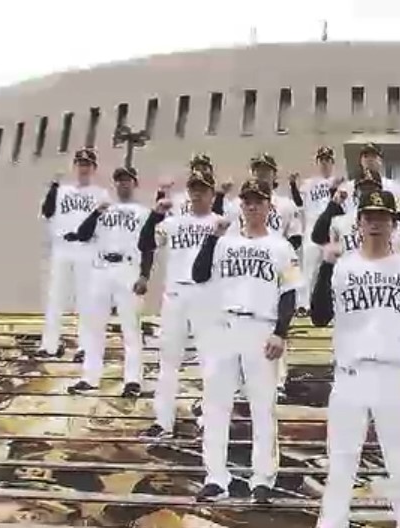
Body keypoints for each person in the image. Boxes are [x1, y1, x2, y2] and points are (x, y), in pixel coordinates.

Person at [310, 189, 400, 528]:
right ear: (359, 222)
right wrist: (325, 267)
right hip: (350, 374)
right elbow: (319, 316)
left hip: (393, 374)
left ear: (394, 224)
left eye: (383, 217)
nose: (376, 223)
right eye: (369, 216)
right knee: (340, 468)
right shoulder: (340, 267)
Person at [190, 178, 301, 503]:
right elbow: (198, 274)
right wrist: (212, 238)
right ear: (241, 205)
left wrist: (281, 331)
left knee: (262, 407)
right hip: (225, 324)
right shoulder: (225, 242)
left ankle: (262, 478)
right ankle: (215, 476)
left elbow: (290, 292)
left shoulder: (283, 247)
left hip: (261, 326)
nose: (252, 206)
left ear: (269, 206)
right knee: (216, 405)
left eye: (258, 201)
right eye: (247, 201)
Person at [136, 169, 223, 440]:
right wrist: (155, 214)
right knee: (168, 361)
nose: (197, 194)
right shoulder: (173, 222)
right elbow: (145, 242)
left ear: (212, 194)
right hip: (175, 295)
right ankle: (163, 422)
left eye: (203, 189)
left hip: (207, 295)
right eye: (193, 189)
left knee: (210, 361)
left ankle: (210, 420)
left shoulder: (223, 223)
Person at [220, 153, 302, 401]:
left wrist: (277, 251)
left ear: (274, 173)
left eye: (266, 169)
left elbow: (296, 237)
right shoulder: (238, 204)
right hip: (246, 264)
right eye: (257, 169)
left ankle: (278, 382)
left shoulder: (286, 204)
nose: (261, 173)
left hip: (275, 262)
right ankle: (238, 384)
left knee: (277, 322)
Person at [67, 166, 148, 398]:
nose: (123, 184)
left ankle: (133, 380)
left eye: (127, 180)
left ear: (135, 183)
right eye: (119, 180)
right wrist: (95, 213)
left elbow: (148, 246)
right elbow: (82, 235)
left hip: (128, 267)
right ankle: (90, 377)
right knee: (95, 325)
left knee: (130, 327)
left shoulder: (142, 212)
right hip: (102, 268)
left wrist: (144, 274)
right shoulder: (104, 209)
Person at [37, 147, 110, 359]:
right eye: (80, 164)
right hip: (62, 246)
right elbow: (47, 211)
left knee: (86, 299)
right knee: (55, 296)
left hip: (86, 248)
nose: (83, 168)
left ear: (94, 168)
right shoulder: (62, 190)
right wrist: (53, 185)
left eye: (87, 164)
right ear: (75, 166)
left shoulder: (101, 194)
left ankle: (85, 346)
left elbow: (104, 225)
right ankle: (49, 345)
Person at [290, 146, 345, 315]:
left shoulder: (340, 181)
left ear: (332, 162)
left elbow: (342, 207)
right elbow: (299, 203)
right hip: (312, 228)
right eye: (322, 160)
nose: (324, 163)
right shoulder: (308, 184)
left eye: (327, 160)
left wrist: (336, 188)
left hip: (332, 229)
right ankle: (303, 305)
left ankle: (333, 305)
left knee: (333, 268)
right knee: (309, 268)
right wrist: (292, 185)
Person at [311, 171, 400, 258]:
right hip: (350, 278)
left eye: (372, 189)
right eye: (363, 189)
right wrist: (333, 204)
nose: (368, 193)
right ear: (355, 194)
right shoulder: (341, 221)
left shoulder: (393, 225)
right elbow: (317, 237)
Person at [339, 142, 400, 223]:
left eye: (373, 156)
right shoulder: (347, 187)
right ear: (360, 161)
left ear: (380, 161)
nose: (369, 160)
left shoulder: (393, 186)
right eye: (366, 156)